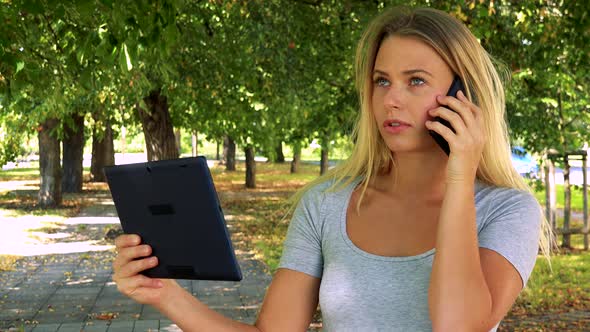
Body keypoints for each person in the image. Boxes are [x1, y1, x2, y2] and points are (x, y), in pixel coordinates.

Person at [113, 6, 551, 331]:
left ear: (465, 95)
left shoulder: (507, 211)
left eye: (415, 81)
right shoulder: (326, 205)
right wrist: (163, 293)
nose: (391, 100)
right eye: (382, 81)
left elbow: (459, 326)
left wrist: (460, 174)